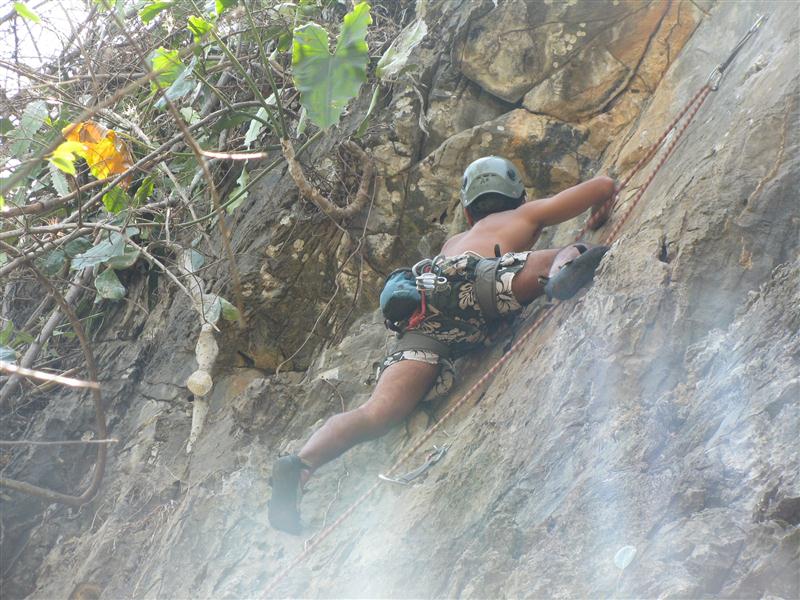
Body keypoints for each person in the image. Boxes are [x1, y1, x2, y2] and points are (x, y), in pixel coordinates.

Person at [268, 156, 615, 533]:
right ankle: (565, 271)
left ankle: (301, 464)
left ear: (468, 211)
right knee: (565, 253)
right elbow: (602, 185)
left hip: (425, 313)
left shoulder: (453, 241)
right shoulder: (523, 215)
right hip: (479, 285)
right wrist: (599, 206)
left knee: (377, 412)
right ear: (516, 195)